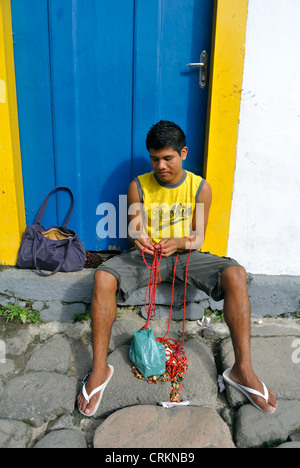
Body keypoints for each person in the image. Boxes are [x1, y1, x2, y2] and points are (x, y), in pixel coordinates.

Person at [77, 120, 278, 416]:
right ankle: (98, 370)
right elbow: (134, 228)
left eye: (168, 158)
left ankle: (242, 370)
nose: (161, 166)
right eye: (155, 159)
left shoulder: (200, 188)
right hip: (147, 256)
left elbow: (198, 236)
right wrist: (140, 237)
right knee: (103, 276)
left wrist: (180, 242)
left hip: (185, 255)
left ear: (183, 153)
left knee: (236, 273)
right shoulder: (138, 186)